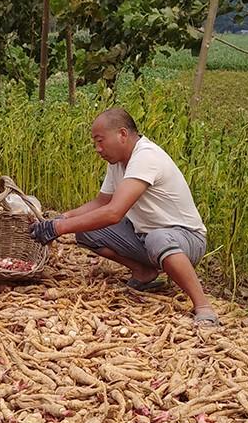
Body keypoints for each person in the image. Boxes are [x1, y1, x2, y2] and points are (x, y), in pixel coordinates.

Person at [29, 107, 219, 326]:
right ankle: (144, 272)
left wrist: (58, 228)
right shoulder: (118, 161)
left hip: (185, 239)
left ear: (122, 134)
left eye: (100, 141)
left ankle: (203, 306)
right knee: (85, 230)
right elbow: (101, 202)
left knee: (158, 239)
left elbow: (113, 212)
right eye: (95, 143)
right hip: (145, 237)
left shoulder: (146, 156)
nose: (97, 149)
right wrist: (61, 218)